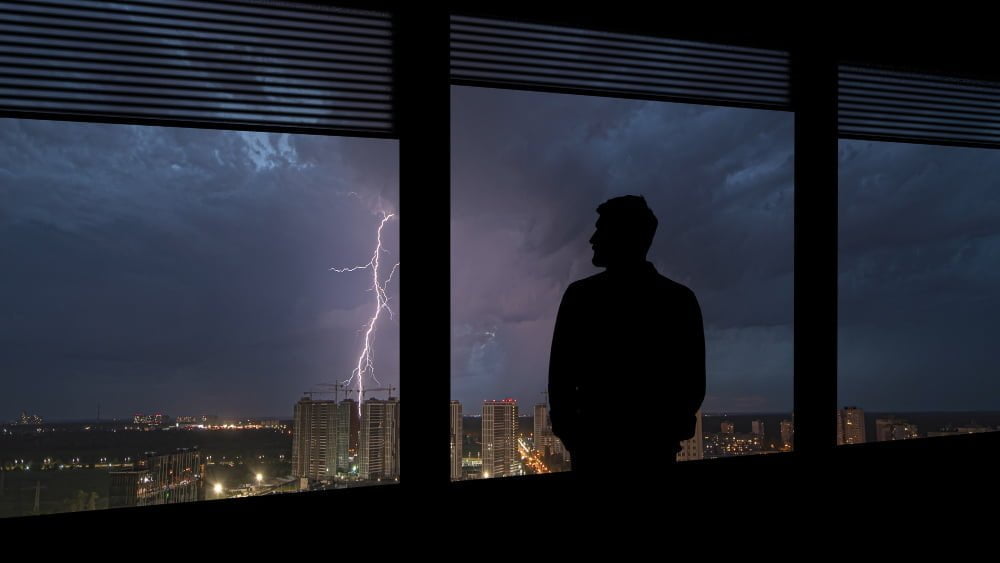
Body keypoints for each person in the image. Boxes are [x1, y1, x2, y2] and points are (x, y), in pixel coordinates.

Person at [548, 195, 705, 475]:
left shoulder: (580, 297)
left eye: (601, 229)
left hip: (602, 450)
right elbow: (692, 386)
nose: (592, 239)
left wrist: (577, 438)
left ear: (623, 236)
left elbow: (560, 379)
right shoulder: (679, 300)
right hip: (649, 449)